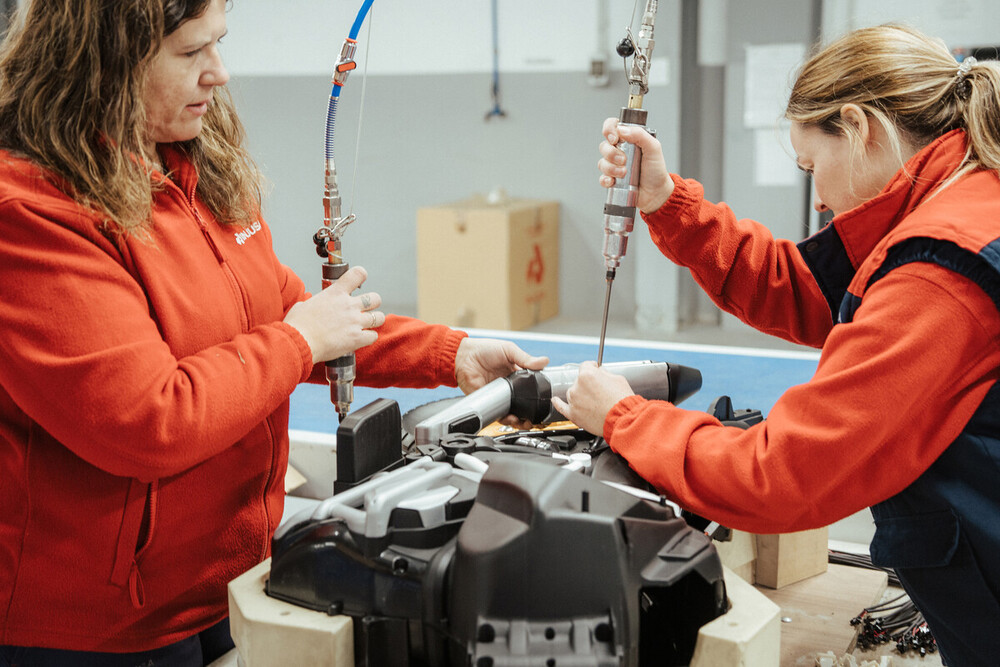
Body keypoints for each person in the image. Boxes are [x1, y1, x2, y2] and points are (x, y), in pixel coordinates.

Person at [0, 0, 547, 664]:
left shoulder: (190, 166)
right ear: (106, 63)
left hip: (224, 581)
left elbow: (283, 308)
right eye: (190, 53)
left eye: (220, 44)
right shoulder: (31, 214)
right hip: (99, 625)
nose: (219, 73)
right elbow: (148, 416)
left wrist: (449, 352)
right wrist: (298, 342)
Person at [552, 24, 1000, 666]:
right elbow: (812, 291)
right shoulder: (956, 195)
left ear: (860, 126)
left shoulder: (942, 270)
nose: (817, 198)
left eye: (813, 166)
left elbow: (778, 476)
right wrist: (663, 200)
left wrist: (623, 418)